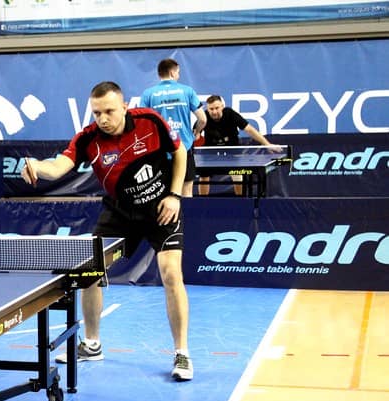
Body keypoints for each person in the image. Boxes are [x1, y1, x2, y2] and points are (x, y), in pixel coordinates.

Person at [21, 81, 193, 381]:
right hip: (119, 211)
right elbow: (59, 166)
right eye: (97, 113)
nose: (102, 118)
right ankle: (92, 344)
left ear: (124, 107)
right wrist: (37, 165)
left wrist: (174, 195)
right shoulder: (88, 139)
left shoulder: (150, 121)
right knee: (89, 272)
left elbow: (179, 152)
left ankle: (182, 352)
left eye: (109, 111)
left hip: (160, 209)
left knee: (170, 273)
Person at [139, 58, 206, 198]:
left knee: (161, 192)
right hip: (185, 147)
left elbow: (142, 123)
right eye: (178, 72)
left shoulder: (148, 94)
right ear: (172, 72)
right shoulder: (187, 91)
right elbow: (203, 119)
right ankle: (185, 213)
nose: (179, 75)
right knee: (186, 191)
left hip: (159, 150)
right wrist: (197, 131)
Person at [197, 94, 273, 196]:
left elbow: (249, 129)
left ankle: (240, 201)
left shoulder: (230, 114)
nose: (214, 111)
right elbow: (195, 135)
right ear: (207, 108)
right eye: (211, 109)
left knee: (237, 175)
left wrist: (267, 144)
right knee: (203, 175)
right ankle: (202, 202)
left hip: (232, 150)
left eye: (217, 108)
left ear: (222, 106)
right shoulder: (204, 117)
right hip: (210, 151)